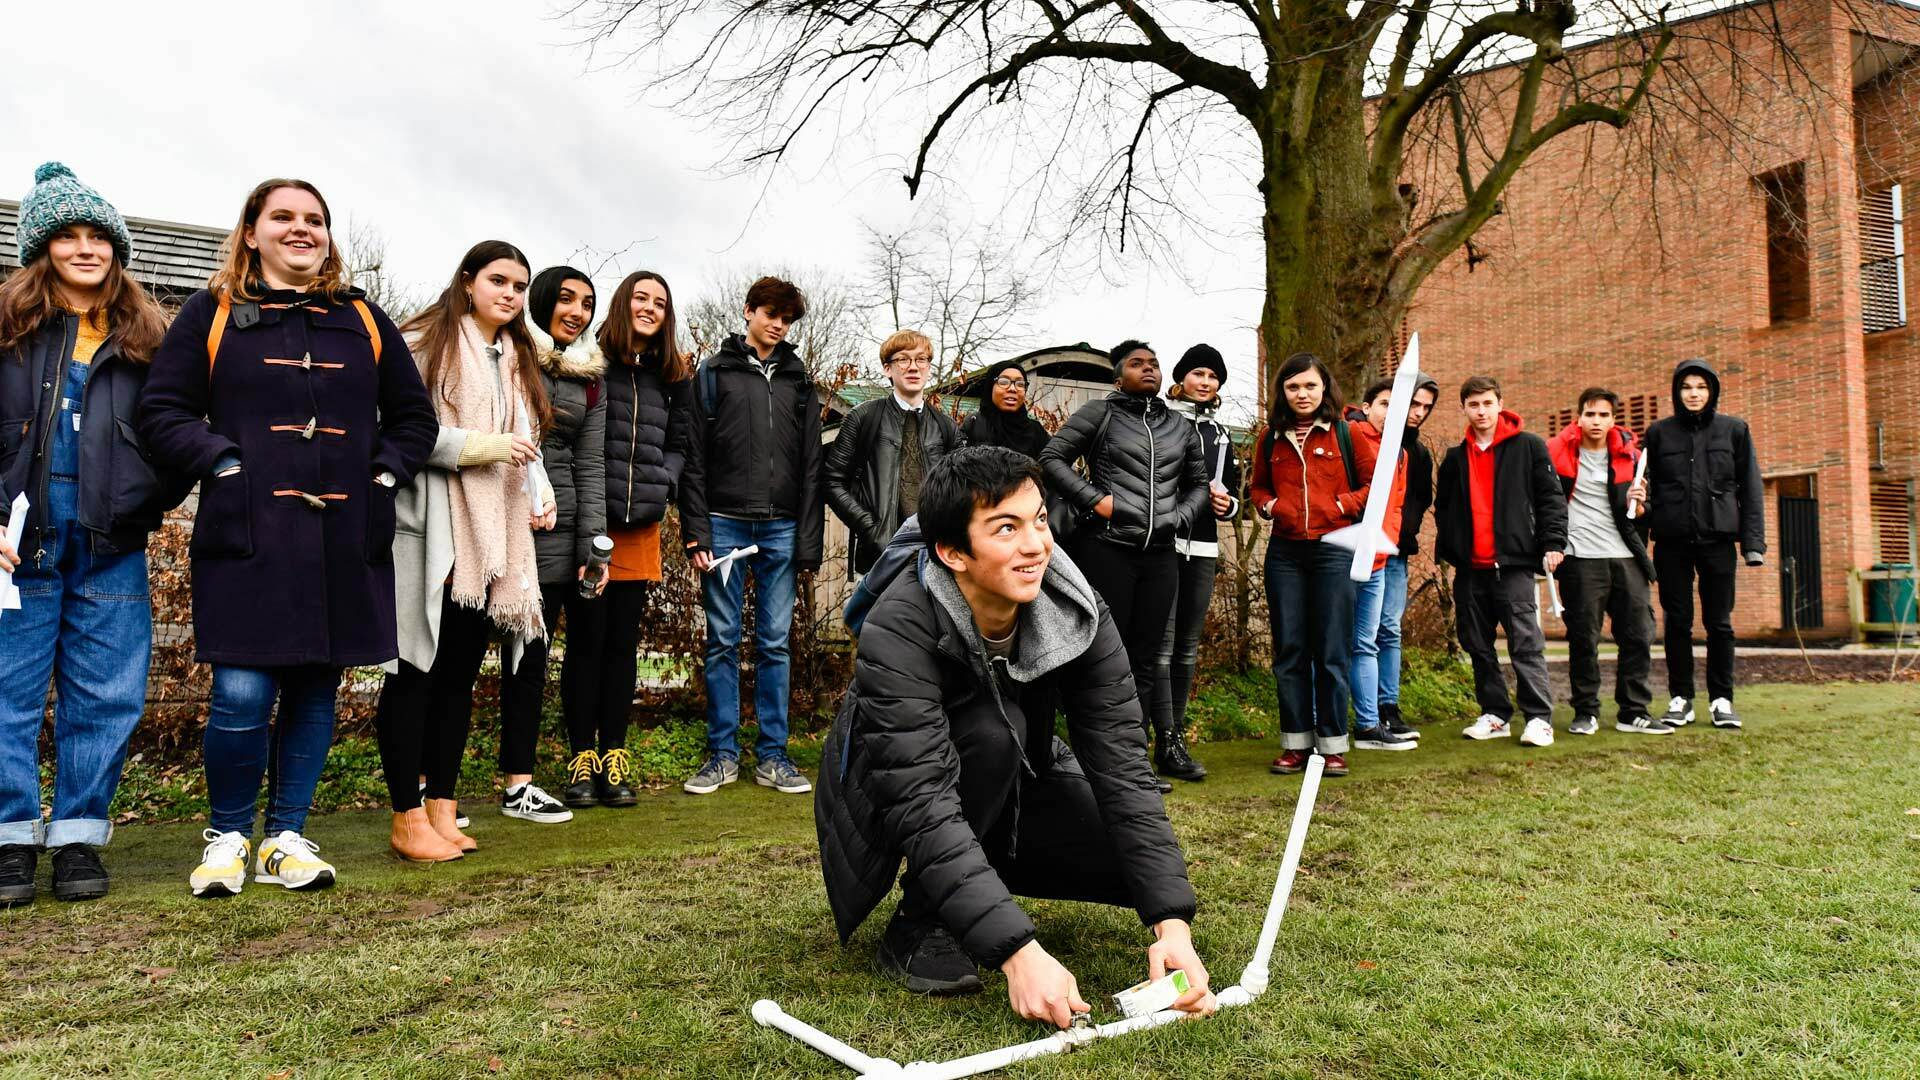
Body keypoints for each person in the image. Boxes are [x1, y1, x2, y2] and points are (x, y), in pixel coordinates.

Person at [814, 446, 1215, 1027]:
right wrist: (1018, 953)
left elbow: (1124, 767)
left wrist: (1171, 923)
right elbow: (919, 799)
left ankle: (980, 881)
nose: (1036, 546)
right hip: (887, 789)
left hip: (1021, 774)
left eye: (1039, 520)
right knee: (991, 732)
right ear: (953, 552)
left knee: (1133, 874)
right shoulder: (897, 625)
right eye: (1007, 528)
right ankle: (920, 920)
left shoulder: (1078, 608)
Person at [139, 177, 438, 894]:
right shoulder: (211, 314)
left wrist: (384, 478)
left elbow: (413, 419)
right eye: (283, 217)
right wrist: (226, 460)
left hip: (345, 533)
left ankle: (287, 838)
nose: (301, 229)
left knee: (313, 688)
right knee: (242, 691)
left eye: (315, 219)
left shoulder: (364, 318)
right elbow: (162, 411)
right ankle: (229, 837)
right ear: (251, 231)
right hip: (249, 530)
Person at [0, 163, 185, 905]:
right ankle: (11, 842)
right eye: (67, 236)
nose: (85, 248)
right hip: (20, 539)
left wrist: (147, 500)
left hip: (112, 542)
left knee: (104, 695)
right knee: (7, 691)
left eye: (98, 235)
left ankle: (79, 836)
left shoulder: (149, 335)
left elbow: (177, 430)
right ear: (40, 250)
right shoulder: (10, 328)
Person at [375, 240, 553, 861]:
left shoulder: (513, 355)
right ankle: (406, 817)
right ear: (469, 280)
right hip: (432, 528)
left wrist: (538, 487)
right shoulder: (424, 340)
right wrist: (481, 448)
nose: (510, 294)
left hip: (494, 538)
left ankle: (442, 809)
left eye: (520, 286)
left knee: (456, 679)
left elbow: (523, 441)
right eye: (499, 281)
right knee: (413, 673)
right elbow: (398, 428)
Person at [1040, 340, 1207, 791]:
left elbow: (1198, 484)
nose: (1148, 369)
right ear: (1119, 377)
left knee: (1147, 659)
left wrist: (1181, 516)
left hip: (1160, 557)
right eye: (1137, 364)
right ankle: (1094, 758)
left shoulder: (1178, 426)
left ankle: (1134, 763)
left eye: (1154, 363)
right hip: (1107, 549)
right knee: (1101, 656)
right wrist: (1097, 502)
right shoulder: (1100, 413)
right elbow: (1052, 458)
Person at [680, 276, 822, 796]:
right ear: (748, 312)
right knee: (720, 640)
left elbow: (812, 465)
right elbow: (693, 458)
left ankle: (773, 757)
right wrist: (696, 532)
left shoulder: (800, 382)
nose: (778, 325)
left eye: (786, 318)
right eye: (770, 314)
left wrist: (807, 540)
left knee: (774, 644)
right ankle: (721, 755)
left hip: (781, 527)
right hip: (723, 522)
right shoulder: (713, 374)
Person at [572, 270, 689, 805]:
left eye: (659, 302)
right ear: (623, 304)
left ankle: (613, 757)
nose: (649, 308)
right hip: (592, 526)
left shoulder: (671, 375)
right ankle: (580, 757)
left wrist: (662, 481)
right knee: (584, 645)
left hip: (640, 526)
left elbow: (683, 444)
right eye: (640, 298)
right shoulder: (591, 361)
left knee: (622, 647)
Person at [495, 266, 606, 821]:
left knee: (532, 658)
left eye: (586, 304)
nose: (576, 312)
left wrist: (593, 543)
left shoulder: (591, 376)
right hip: (503, 521)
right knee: (466, 656)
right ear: (540, 301)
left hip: (561, 537)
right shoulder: (511, 356)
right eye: (565, 300)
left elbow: (590, 462)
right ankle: (429, 788)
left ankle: (520, 784)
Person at [1249, 353, 1378, 778]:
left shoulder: (1348, 433)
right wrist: (1270, 506)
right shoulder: (1270, 437)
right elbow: (1258, 487)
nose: (1302, 394)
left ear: (1324, 388)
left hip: (1333, 550)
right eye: (1292, 387)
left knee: (1332, 650)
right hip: (1285, 553)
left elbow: (1373, 486)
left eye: (1309, 386)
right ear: (1282, 392)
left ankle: (1333, 745)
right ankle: (1296, 745)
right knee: (1290, 650)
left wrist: (1341, 504)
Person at [1433, 375, 1566, 747]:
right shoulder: (1455, 458)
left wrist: (1554, 542)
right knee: (1477, 644)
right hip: (1470, 570)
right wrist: (1450, 548)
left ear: (1500, 404)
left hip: (1515, 565)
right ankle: (1495, 715)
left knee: (1525, 643)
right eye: (1473, 405)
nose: (1481, 411)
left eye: (1487, 403)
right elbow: (1442, 508)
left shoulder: (1529, 447)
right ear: (1464, 408)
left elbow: (1551, 500)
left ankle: (1539, 718)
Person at [1640, 359, 1765, 730]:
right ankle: (1681, 699)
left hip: (1718, 541)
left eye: (1701, 387)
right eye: (1686, 387)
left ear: (1712, 392)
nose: (1693, 394)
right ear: (1677, 393)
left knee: (1719, 623)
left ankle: (1722, 700)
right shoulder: (1659, 433)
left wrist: (1753, 544)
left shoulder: (1734, 430)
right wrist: (1642, 517)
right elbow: (1645, 489)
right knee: (1677, 622)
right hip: (1672, 543)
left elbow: (1751, 489)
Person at [1149, 344, 1240, 782]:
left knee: (1186, 649)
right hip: (1161, 547)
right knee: (1159, 650)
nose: (1205, 382)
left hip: (1202, 548)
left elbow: (1235, 492)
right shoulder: (1159, 420)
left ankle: (1175, 740)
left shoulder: (1221, 435)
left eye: (1213, 376)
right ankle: (1153, 737)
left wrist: (1228, 504)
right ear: (1181, 378)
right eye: (1198, 373)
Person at [1549, 389, 1663, 736]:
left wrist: (1640, 504)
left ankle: (1633, 711)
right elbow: (1545, 505)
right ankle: (1586, 712)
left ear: (1613, 420)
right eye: (1590, 414)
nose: (1596, 421)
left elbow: (1646, 514)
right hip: (1580, 559)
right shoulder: (1558, 456)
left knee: (1639, 635)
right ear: (1579, 417)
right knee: (1584, 639)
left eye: (1603, 415)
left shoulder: (1630, 458)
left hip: (1626, 557)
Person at [825, 330, 959, 577]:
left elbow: (961, 488)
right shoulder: (864, 417)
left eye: (921, 360)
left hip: (935, 556)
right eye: (903, 359)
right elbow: (832, 481)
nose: (913, 367)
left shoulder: (945, 426)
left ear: (929, 368)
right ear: (888, 369)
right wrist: (871, 529)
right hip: (881, 556)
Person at [1346, 381, 1414, 752]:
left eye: (1398, 405)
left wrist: (1385, 545)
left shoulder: (1399, 452)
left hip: (1378, 560)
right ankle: (1324, 723)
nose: (1391, 412)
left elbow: (1396, 506)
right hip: (1344, 556)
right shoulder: (1351, 436)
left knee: (1366, 643)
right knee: (1334, 643)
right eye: (1385, 404)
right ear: (1367, 405)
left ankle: (1370, 725)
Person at [1374, 372, 1439, 740]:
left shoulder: (1419, 452)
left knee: (1390, 629)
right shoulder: (1369, 437)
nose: (1418, 413)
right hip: (1363, 549)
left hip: (1397, 552)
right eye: (1414, 404)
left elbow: (1419, 500)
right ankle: (1363, 710)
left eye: (1426, 408)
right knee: (1359, 631)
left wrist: (1405, 533)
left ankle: (1389, 707)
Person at [958, 360, 1049, 459]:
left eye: (1020, 384)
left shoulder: (1036, 431)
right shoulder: (974, 423)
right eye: (1004, 382)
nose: (1013, 389)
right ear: (990, 387)